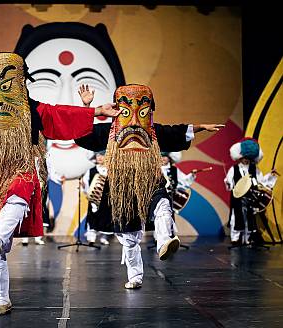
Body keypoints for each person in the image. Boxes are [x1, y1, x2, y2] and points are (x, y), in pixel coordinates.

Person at [0, 32, 119, 315]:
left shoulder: (33, 111)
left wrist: (98, 109)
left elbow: (62, 116)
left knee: (18, 197)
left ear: (19, 83)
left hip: (21, 167)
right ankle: (1, 296)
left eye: (6, 84)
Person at [76, 84, 223, 289]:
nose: (135, 119)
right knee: (129, 237)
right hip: (121, 186)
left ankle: (164, 241)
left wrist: (200, 127)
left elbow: (178, 131)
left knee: (163, 206)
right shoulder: (107, 132)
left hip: (150, 179)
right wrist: (87, 106)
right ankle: (135, 276)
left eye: (143, 110)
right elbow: (82, 134)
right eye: (127, 110)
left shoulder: (154, 132)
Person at [224, 138, 278, 245]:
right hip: (238, 198)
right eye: (244, 157)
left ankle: (247, 239)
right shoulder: (233, 169)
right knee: (236, 217)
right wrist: (229, 183)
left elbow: (261, 182)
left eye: (248, 157)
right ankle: (235, 239)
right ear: (240, 156)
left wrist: (270, 175)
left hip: (250, 198)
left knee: (249, 218)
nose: (246, 160)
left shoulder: (255, 169)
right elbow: (228, 180)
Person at [82, 151, 112, 245]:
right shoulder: (91, 170)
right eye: (98, 155)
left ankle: (104, 237)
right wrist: (88, 193)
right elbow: (86, 184)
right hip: (94, 199)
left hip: (106, 199)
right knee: (93, 217)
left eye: (102, 155)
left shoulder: (110, 170)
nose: (99, 158)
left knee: (106, 217)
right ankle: (92, 237)